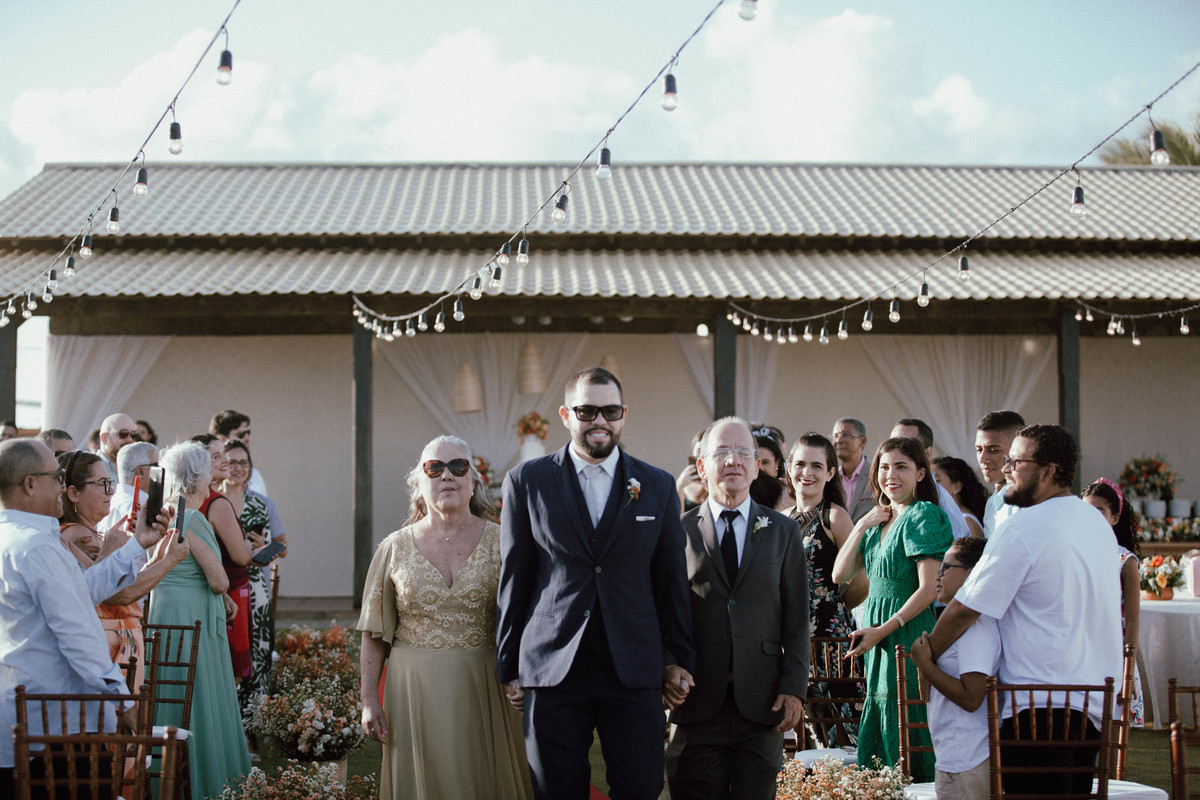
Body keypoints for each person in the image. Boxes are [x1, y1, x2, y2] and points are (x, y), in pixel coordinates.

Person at [497, 366, 694, 800]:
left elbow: (671, 581)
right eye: (587, 411)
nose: (599, 421)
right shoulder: (526, 481)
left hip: (633, 664)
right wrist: (509, 665)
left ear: (624, 414)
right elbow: (515, 576)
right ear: (566, 415)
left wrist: (677, 657)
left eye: (610, 411)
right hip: (552, 665)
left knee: (640, 787)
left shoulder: (658, 485)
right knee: (555, 790)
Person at [927, 425, 1122, 796]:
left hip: (1039, 708)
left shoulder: (1024, 526)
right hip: (1093, 705)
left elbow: (965, 607)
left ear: (1047, 472)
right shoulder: (1096, 524)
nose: (1005, 469)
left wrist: (927, 653)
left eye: (1015, 462)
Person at [358, 435, 532, 800]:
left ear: (474, 482)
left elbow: (529, 617)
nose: (446, 476)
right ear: (419, 484)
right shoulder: (393, 548)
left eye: (458, 467)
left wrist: (522, 673)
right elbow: (374, 633)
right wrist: (369, 699)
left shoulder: (505, 542)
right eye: (434, 468)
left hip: (487, 684)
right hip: (413, 690)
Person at [0, 439, 165, 795]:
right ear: (30, 484)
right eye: (57, 477)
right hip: (54, 723)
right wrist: (121, 698)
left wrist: (137, 543)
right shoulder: (34, 545)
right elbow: (75, 629)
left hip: (34, 715)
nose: (63, 486)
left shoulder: (22, 538)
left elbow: (80, 592)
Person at [666, 417, 808, 800]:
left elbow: (797, 618)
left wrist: (794, 688)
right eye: (723, 452)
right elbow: (663, 611)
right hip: (696, 701)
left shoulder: (783, 531)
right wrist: (667, 665)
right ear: (701, 466)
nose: (734, 460)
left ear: (757, 466)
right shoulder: (677, 531)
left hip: (761, 704)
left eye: (744, 452)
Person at [832, 436, 952, 780]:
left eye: (901, 467)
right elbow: (840, 574)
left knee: (908, 718)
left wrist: (883, 630)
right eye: (884, 467)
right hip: (877, 637)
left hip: (907, 633)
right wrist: (861, 524)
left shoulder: (924, 515)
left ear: (920, 474)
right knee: (883, 713)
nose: (891, 475)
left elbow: (929, 589)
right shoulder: (877, 521)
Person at [146, 441, 251, 799]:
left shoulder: (161, 513)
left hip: (166, 610)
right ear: (193, 479)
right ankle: (209, 780)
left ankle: (164, 780)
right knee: (200, 695)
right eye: (207, 474)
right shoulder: (191, 517)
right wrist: (223, 592)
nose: (211, 481)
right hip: (192, 616)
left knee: (170, 691)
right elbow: (218, 578)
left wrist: (222, 596)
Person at [57, 448, 188, 692]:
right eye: (102, 484)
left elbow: (126, 586)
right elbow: (121, 594)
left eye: (111, 483)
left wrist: (158, 556)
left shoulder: (91, 533)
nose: (111, 491)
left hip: (120, 648)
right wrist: (168, 561)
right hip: (111, 651)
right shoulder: (78, 535)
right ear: (73, 493)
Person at [785, 432, 869, 747]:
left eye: (817, 466)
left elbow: (861, 582)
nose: (807, 473)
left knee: (848, 727)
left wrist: (830, 610)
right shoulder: (782, 520)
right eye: (800, 464)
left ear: (831, 472)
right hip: (794, 642)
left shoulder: (835, 516)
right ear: (789, 468)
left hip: (832, 643)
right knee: (811, 731)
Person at [910, 537, 1000, 800]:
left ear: (972, 573)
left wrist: (924, 664)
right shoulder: (956, 626)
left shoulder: (976, 628)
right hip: (952, 758)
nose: (937, 575)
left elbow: (972, 698)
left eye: (946, 568)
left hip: (972, 760)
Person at [191, 434, 264, 686]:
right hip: (229, 591)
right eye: (216, 456)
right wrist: (256, 549)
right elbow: (240, 557)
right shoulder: (217, 503)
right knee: (229, 674)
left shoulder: (189, 500)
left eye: (224, 454)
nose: (226, 461)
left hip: (201, 591)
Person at [222, 439, 287, 715]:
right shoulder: (213, 501)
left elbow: (282, 547)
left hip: (255, 587)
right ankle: (225, 712)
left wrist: (265, 546)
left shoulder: (263, 504)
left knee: (257, 650)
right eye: (232, 462)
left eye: (243, 463)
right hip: (221, 585)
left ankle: (254, 718)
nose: (238, 468)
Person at [1082, 477, 1144, 728]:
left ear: (1115, 518)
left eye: (1099, 510)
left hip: (1112, 652)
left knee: (1112, 728)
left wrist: (1127, 672)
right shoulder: (1073, 552)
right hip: (1079, 648)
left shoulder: (1124, 561)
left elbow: (1133, 622)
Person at [889, 419, 970, 541]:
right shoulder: (892, 492)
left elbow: (955, 547)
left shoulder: (939, 502)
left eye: (908, 447)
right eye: (892, 444)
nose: (897, 451)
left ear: (927, 454)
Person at [973, 410, 1025, 538]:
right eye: (979, 450)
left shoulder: (1024, 503)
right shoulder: (992, 503)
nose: (983, 458)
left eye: (993, 450)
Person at [98, 440, 157, 534]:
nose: (162, 470)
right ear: (140, 471)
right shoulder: (135, 509)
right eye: (156, 466)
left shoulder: (113, 503)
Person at [210, 410, 268, 496]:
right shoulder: (207, 476)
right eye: (241, 434)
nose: (247, 439)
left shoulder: (254, 476)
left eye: (248, 433)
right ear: (222, 439)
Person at [933, 457, 987, 539]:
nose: (930, 485)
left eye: (937, 480)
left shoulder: (966, 522)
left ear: (957, 487)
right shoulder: (951, 518)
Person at [832, 417, 874, 521]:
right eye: (836, 435)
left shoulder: (875, 475)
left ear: (862, 441)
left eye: (845, 435)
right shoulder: (830, 478)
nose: (839, 440)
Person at [749, 429, 789, 511]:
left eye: (765, 462)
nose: (760, 468)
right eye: (754, 462)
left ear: (777, 463)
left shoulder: (789, 496)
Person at [97, 413, 138, 481]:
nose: (130, 439)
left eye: (133, 435)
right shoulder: (88, 470)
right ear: (104, 438)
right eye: (123, 433)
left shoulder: (138, 469)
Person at [675, 429, 708, 513]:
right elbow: (677, 518)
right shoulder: (685, 483)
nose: (701, 455)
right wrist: (679, 487)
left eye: (705, 450)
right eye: (699, 450)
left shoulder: (718, 482)